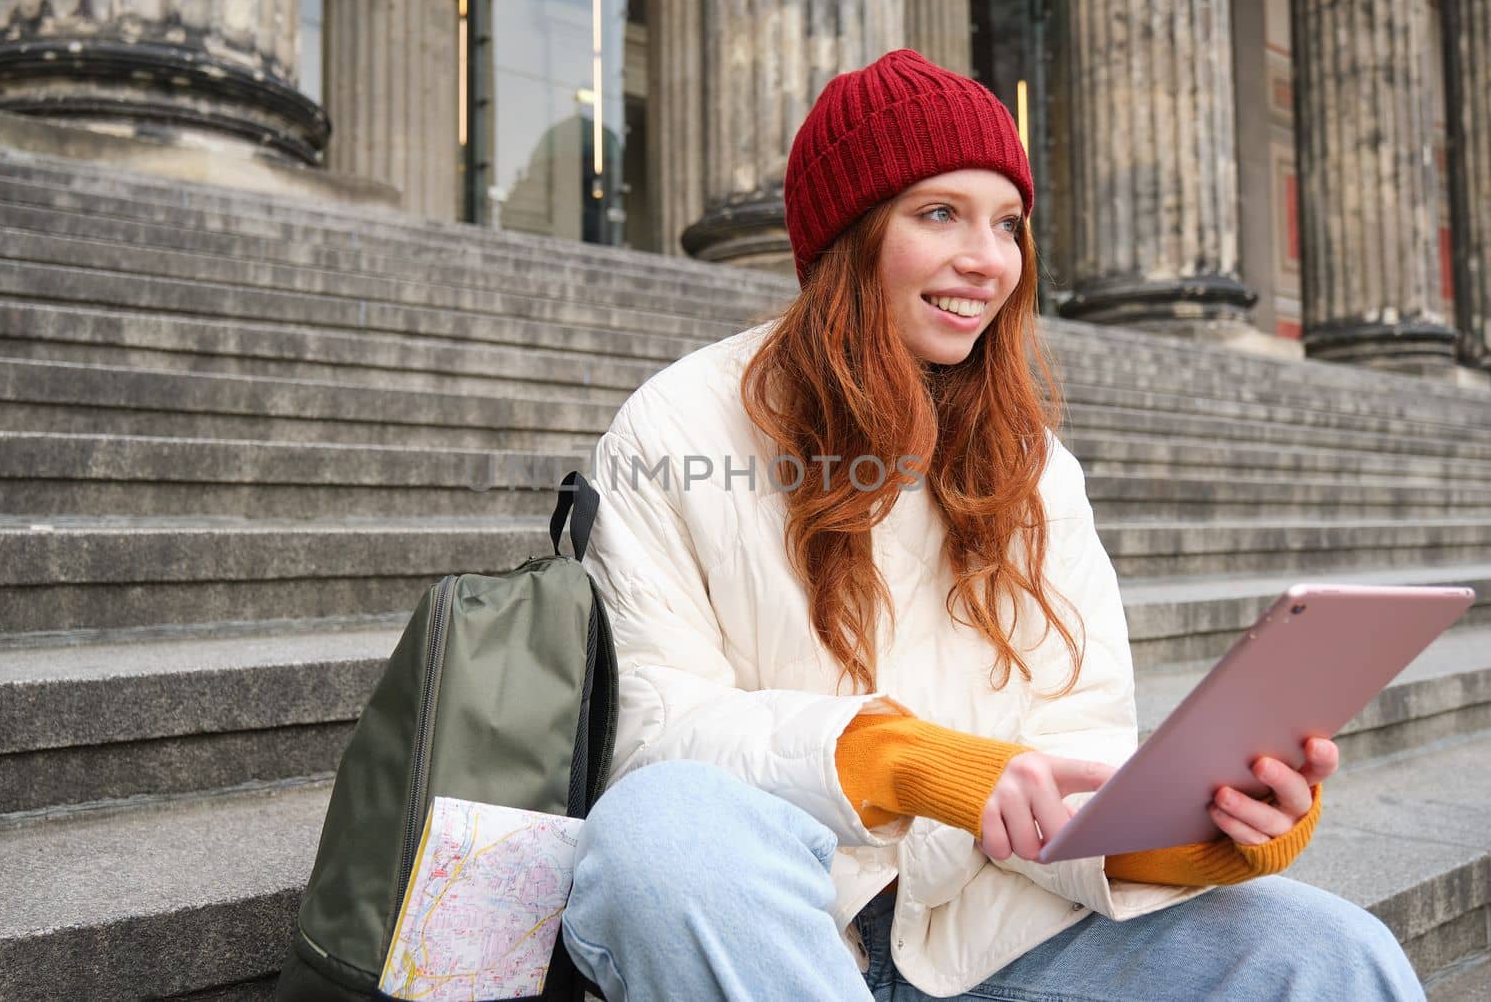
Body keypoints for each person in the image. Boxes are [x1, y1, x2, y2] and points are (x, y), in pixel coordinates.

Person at [561, 49, 1423, 1001]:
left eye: (1007, 224)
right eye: (939, 214)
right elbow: (648, 740)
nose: (989, 260)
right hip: (777, 927)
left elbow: (1070, 779)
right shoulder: (677, 425)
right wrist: (904, 763)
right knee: (662, 829)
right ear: (850, 237)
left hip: (991, 939)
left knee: (1330, 949)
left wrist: (1215, 833)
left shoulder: (1037, 468)